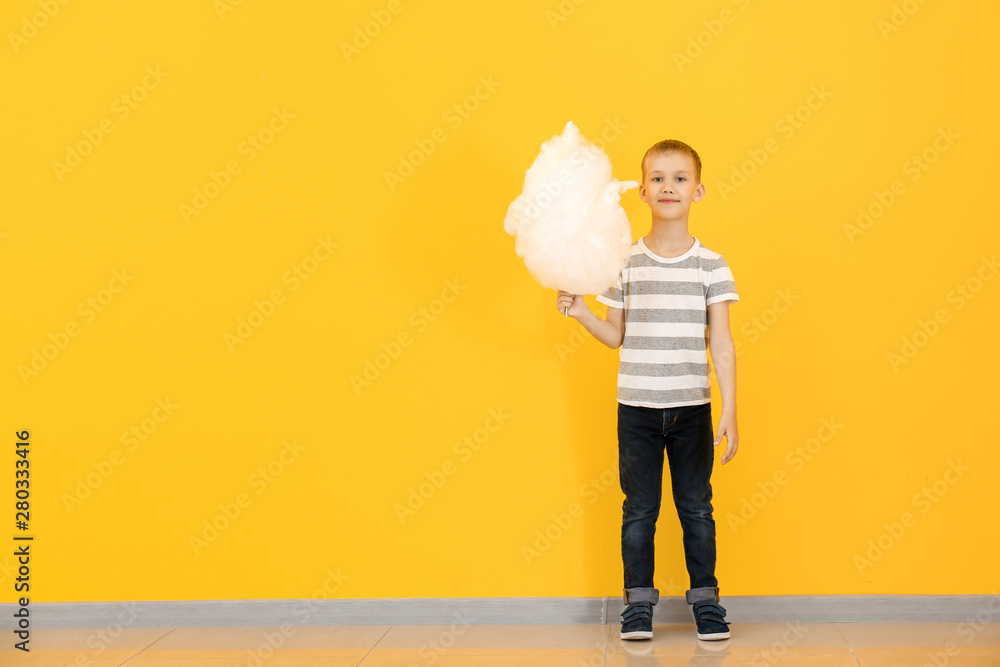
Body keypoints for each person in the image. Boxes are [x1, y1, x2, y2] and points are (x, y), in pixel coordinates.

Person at [556, 139, 739, 642]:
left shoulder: (711, 265)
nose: (668, 186)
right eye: (658, 178)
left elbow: (721, 344)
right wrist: (583, 313)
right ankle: (638, 605)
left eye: (680, 178)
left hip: (693, 410)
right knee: (639, 509)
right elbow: (616, 335)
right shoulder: (624, 263)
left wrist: (730, 410)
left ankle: (706, 601)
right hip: (635, 409)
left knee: (696, 507)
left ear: (698, 191)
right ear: (642, 191)